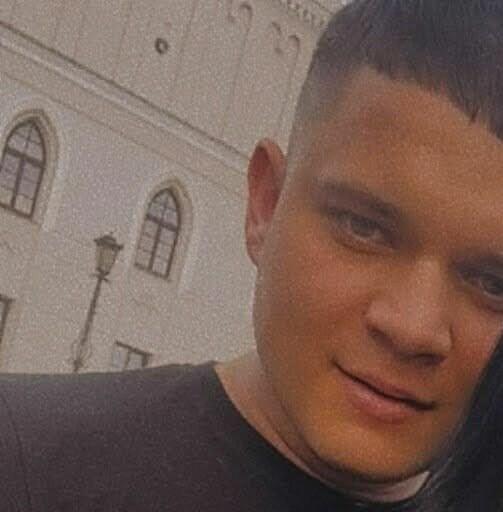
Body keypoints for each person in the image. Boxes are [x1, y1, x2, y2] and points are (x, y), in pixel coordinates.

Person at [2, 0, 503, 510]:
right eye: (363, 228)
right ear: (266, 204)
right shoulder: (24, 464)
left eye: (492, 284)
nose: (413, 328)